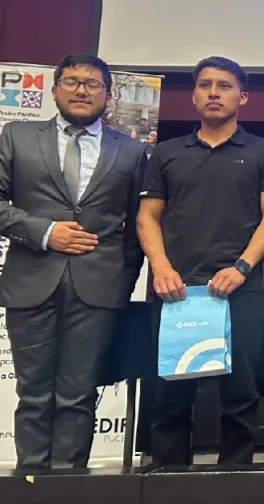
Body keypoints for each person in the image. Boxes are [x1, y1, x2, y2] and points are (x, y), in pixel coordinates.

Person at [137, 56, 264, 466]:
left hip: (239, 289)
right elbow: (146, 217)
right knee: (171, 394)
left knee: (240, 396)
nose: (213, 93)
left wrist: (241, 267)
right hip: (177, 290)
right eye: (205, 85)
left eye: (223, 86)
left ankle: (234, 480)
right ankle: (168, 479)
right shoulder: (167, 153)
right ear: (193, 96)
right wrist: (161, 269)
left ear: (242, 97)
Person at [0, 52, 146, 469]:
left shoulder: (132, 151)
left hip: (98, 288)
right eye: (72, 82)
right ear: (54, 88)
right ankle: (29, 482)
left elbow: (138, 227)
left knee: (79, 393)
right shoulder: (17, 136)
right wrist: (45, 232)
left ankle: (69, 484)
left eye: (92, 84)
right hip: (30, 280)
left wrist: (123, 280)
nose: (82, 90)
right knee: (33, 393)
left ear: (108, 96)